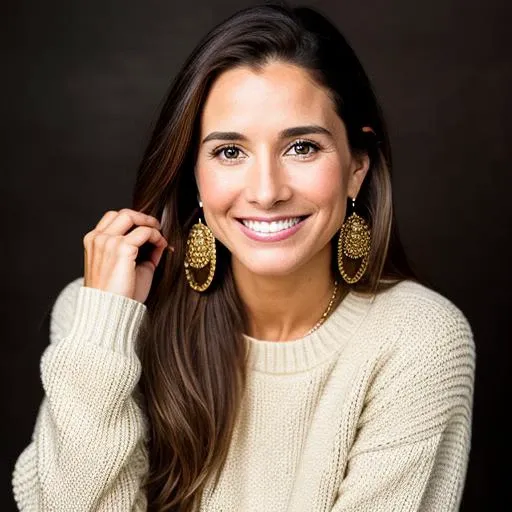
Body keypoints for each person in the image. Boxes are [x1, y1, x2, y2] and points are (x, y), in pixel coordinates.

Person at [12, 2, 476, 511]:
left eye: (301, 147)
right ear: (194, 173)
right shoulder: (97, 319)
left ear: (356, 167)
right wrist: (104, 328)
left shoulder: (418, 339)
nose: (266, 191)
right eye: (229, 152)